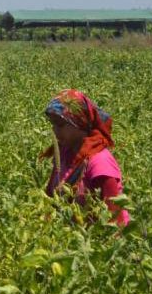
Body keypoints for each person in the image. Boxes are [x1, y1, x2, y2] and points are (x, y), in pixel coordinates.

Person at [41, 89, 129, 227]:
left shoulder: (100, 162)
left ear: (79, 123)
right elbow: (50, 198)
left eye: (60, 125)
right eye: (53, 124)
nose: (55, 131)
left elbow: (115, 220)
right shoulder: (64, 152)